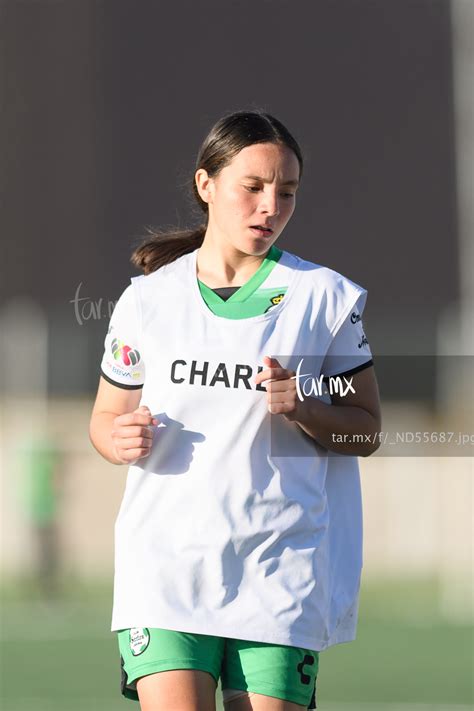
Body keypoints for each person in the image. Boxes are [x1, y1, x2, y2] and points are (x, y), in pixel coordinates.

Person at [89, 110, 381, 711]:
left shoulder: (325, 299)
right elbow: (103, 419)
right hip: (165, 568)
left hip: (278, 568)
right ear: (206, 185)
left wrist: (304, 407)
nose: (270, 205)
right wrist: (118, 439)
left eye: (287, 192)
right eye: (253, 187)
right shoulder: (148, 300)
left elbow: (366, 433)